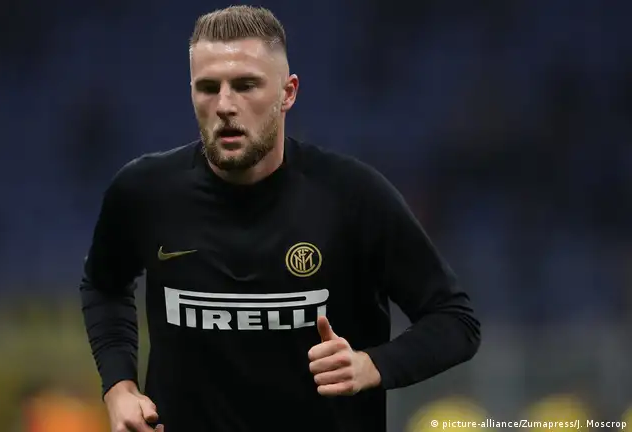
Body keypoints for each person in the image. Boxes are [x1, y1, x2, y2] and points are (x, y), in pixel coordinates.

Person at [79, 5, 481, 432]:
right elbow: (104, 286)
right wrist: (119, 388)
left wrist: (372, 365)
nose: (225, 105)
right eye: (208, 87)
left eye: (246, 85)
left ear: (287, 93)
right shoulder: (144, 192)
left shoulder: (354, 197)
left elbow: (456, 321)